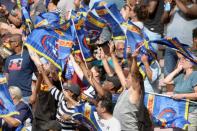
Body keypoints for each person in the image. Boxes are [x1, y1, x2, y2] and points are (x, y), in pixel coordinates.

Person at [40, 65, 81, 130]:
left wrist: (70, 118)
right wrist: (42, 71)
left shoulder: (79, 107)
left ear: (72, 93)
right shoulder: (62, 98)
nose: (63, 91)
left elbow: (82, 123)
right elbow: (50, 86)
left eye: (66, 90)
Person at [163, 53, 197, 131]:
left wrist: (181, 95)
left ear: (191, 64)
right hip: (178, 112)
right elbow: (166, 81)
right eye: (180, 59)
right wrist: (177, 70)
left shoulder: (195, 75)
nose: (181, 61)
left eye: (184, 59)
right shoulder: (181, 76)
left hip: (190, 112)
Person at [3, 34, 37, 104]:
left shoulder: (29, 55)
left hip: (26, 96)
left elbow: (39, 76)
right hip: (12, 96)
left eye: (10, 42)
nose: (8, 44)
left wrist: (35, 94)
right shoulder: (8, 58)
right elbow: (6, 77)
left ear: (16, 43)